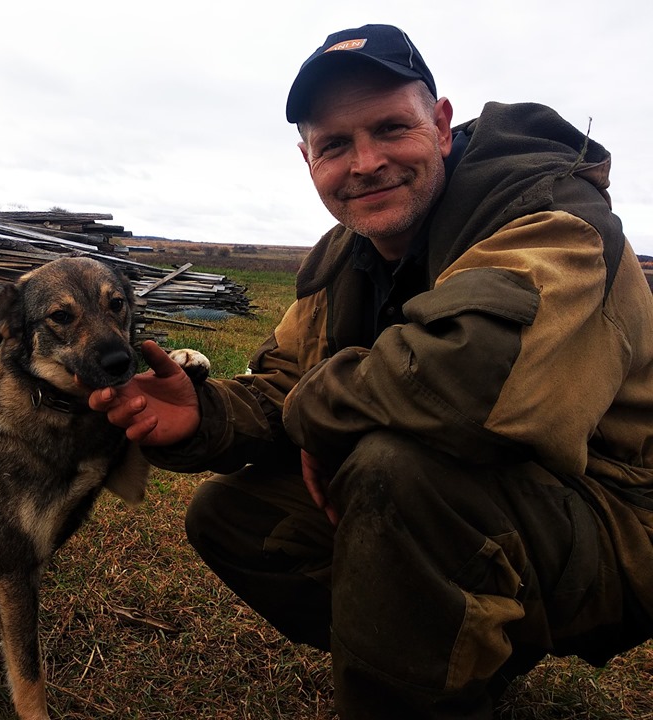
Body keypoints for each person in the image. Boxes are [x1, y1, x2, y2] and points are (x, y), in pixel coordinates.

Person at [90, 24, 653, 720]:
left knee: (392, 469)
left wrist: (315, 413)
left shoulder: (548, 217)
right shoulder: (345, 257)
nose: (366, 162)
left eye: (391, 128)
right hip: (502, 517)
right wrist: (204, 415)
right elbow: (284, 385)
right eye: (334, 145)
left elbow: (470, 385)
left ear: (441, 125)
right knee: (233, 518)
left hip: (619, 520)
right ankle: (457, 663)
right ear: (307, 159)